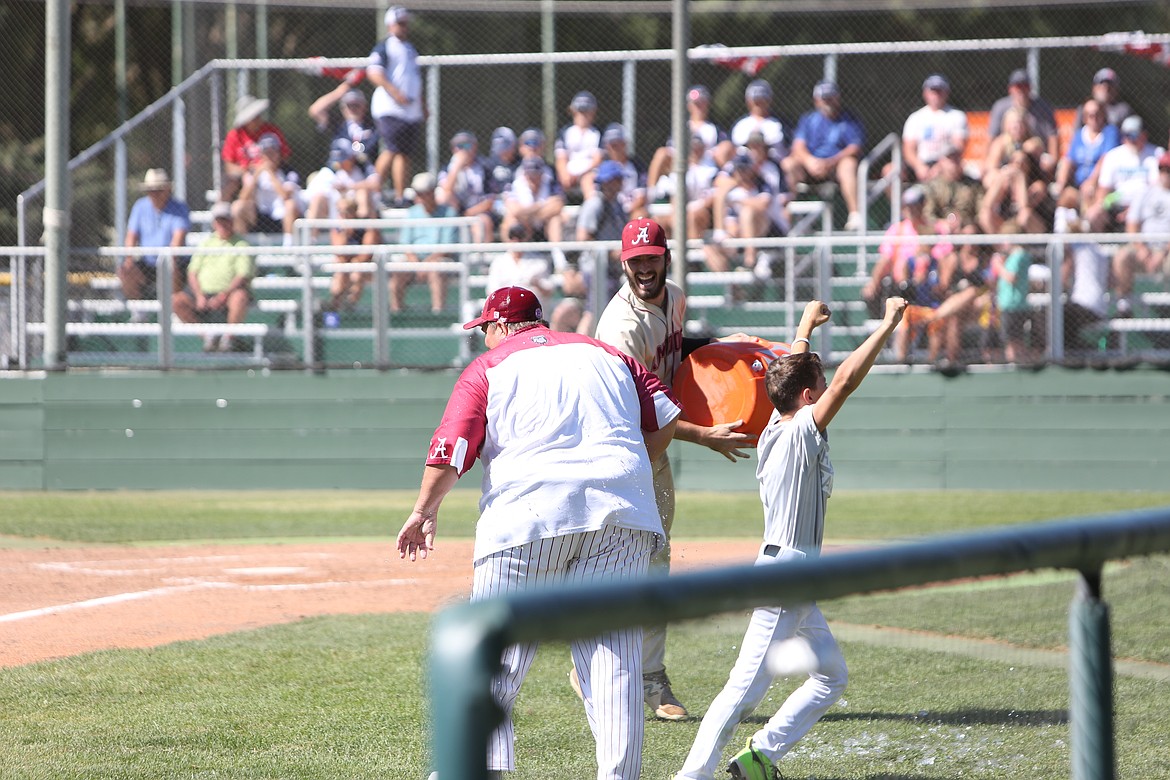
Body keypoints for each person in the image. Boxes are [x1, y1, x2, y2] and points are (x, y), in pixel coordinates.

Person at [395, 285, 682, 780]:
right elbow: (664, 416)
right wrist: (636, 466)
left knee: (493, 663)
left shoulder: (488, 367)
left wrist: (423, 510)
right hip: (621, 513)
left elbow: (452, 450)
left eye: (484, 328)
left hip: (527, 517)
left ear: (502, 326)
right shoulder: (608, 353)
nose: (484, 338)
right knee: (614, 664)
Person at [674, 295, 907, 780]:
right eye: (816, 388)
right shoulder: (800, 430)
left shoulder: (775, 426)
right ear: (807, 399)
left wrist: (804, 326)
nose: (823, 392)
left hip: (797, 576)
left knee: (830, 677)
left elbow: (787, 376)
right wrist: (887, 326)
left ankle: (757, 759)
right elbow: (844, 382)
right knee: (741, 692)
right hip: (784, 577)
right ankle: (690, 777)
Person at [592, 217, 758, 722]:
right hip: (619, 453)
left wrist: (725, 344)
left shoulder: (675, 296)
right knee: (620, 564)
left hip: (656, 449)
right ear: (624, 264)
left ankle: (650, 676)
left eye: (652, 258)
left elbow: (679, 353)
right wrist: (705, 435)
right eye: (635, 261)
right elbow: (637, 410)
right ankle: (597, 665)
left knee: (656, 561)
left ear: (666, 258)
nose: (645, 268)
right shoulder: (620, 327)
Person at [557, 160, 630, 335]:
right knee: (593, 311)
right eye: (616, 179)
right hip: (597, 268)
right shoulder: (596, 203)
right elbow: (583, 236)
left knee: (604, 311)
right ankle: (583, 347)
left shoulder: (616, 204)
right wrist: (610, 252)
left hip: (609, 269)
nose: (619, 183)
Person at [781, 80, 866, 230]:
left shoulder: (849, 119)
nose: (828, 102)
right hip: (811, 167)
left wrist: (830, 162)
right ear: (816, 100)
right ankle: (786, 215)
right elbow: (798, 146)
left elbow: (854, 148)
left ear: (838, 98)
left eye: (830, 98)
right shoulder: (808, 119)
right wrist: (809, 161)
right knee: (788, 163)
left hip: (835, 166)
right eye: (824, 99)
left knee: (849, 164)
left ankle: (855, 214)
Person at [172, 201, 255, 352]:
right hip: (203, 293)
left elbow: (243, 275)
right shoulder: (205, 244)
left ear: (232, 220)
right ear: (214, 223)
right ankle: (207, 337)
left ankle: (228, 338)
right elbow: (192, 272)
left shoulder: (242, 245)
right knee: (177, 301)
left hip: (229, 294)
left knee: (240, 297)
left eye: (226, 219)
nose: (223, 224)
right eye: (219, 220)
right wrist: (199, 296)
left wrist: (224, 295)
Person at [366, 6, 424, 207]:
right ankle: (375, 192)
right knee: (392, 149)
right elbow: (374, 73)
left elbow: (415, 79)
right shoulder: (384, 47)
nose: (404, 27)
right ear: (390, 25)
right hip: (390, 108)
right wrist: (395, 93)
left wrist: (422, 104)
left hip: (410, 110)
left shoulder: (410, 48)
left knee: (404, 153)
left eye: (406, 23)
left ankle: (401, 196)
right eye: (400, 23)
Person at [646, 84, 732, 200]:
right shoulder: (680, 128)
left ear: (707, 104)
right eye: (696, 104)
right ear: (689, 106)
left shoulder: (714, 129)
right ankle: (650, 195)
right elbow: (671, 151)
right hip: (683, 164)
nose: (699, 107)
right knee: (661, 153)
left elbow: (721, 152)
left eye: (702, 103)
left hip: (706, 167)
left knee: (726, 147)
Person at [120, 168, 191, 302]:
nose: (154, 194)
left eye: (158, 190)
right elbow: (131, 235)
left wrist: (170, 258)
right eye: (151, 190)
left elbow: (178, 239)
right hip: (148, 263)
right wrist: (129, 258)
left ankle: (172, 308)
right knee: (125, 270)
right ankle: (139, 311)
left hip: (173, 261)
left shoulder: (179, 208)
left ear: (167, 190)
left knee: (172, 266)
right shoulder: (140, 207)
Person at [390, 171, 457, 313]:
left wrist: (425, 264)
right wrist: (416, 264)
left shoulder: (449, 213)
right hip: (415, 261)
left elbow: (446, 247)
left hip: (438, 260)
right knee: (398, 271)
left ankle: (438, 314)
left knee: (436, 270)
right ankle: (397, 313)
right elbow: (406, 245)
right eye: (417, 193)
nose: (419, 197)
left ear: (432, 192)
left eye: (423, 193)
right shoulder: (412, 213)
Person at [1112, 152, 1170, 315]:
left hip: (1166, 252)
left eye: (1169, 170)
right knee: (1122, 256)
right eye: (1162, 169)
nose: (1166, 174)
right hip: (1144, 249)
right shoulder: (1145, 192)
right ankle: (1124, 306)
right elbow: (1132, 226)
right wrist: (1142, 248)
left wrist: (1163, 252)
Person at [1086, 115, 1164, 233]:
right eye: (1126, 135)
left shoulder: (1156, 154)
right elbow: (1104, 189)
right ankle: (1099, 249)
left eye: (1134, 135)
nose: (1130, 139)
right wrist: (1101, 205)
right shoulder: (1113, 156)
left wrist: (1133, 209)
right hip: (1116, 205)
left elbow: (1157, 189)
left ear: (1144, 135)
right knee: (1093, 215)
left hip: (1146, 206)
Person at [894, 73, 968, 184]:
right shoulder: (915, 117)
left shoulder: (957, 116)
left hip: (945, 163)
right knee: (889, 170)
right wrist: (919, 166)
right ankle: (901, 201)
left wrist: (939, 167)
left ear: (946, 93)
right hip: (920, 163)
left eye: (940, 91)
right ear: (925, 93)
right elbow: (908, 149)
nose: (936, 95)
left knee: (951, 168)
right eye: (933, 91)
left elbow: (958, 147)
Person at [303, 137, 381, 241]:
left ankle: (363, 233)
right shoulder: (331, 169)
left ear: (351, 156)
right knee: (318, 199)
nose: (341, 163)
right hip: (337, 211)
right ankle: (310, 241)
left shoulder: (362, 165)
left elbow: (376, 184)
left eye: (344, 159)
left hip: (358, 209)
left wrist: (350, 187)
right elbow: (312, 192)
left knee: (363, 193)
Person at [232, 132, 302, 246]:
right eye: (266, 153)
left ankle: (289, 246)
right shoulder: (255, 171)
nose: (269, 157)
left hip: (282, 219)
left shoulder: (288, 172)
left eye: (272, 152)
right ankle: (242, 246)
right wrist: (255, 176)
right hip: (261, 217)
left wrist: (271, 173)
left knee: (290, 204)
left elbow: (285, 196)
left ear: (279, 153)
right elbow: (243, 197)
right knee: (237, 206)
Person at [987, 69, 1058, 177]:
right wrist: (986, 163)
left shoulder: (1043, 108)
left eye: (1024, 86)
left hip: (1034, 162)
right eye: (1017, 87)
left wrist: (1052, 162)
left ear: (1030, 88)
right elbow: (991, 138)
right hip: (1007, 159)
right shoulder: (1000, 107)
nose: (1021, 90)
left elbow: (1052, 137)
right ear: (1010, 89)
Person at [221, 94, 292, 201]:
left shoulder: (271, 130)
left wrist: (268, 165)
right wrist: (247, 170)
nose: (258, 118)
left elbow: (285, 156)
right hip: (246, 175)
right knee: (231, 182)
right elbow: (229, 166)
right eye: (253, 117)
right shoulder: (235, 135)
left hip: (271, 172)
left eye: (258, 115)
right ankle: (222, 213)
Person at [1054, 98, 1119, 207]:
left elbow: (1105, 159)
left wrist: (1091, 181)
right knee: (1065, 197)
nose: (1094, 118)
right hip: (1078, 184)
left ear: (1103, 115)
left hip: (1099, 185)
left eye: (1097, 114)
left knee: (1088, 194)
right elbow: (1068, 159)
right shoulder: (1079, 135)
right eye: (1090, 115)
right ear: (1084, 118)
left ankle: (1086, 223)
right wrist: (1061, 184)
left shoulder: (1110, 132)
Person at [437, 131, 496, 243]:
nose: (463, 150)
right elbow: (446, 192)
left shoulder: (485, 167)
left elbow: (490, 201)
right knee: (442, 196)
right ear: (453, 150)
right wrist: (456, 167)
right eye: (459, 146)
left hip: (477, 211)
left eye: (467, 146)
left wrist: (468, 213)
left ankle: (479, 258)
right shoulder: (447, 168)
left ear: (475, 147)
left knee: (483, 222)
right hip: (454, 211)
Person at [990, 223, 1036, 364]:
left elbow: (1011, 277)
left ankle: (1015, 366)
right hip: (1010, 305)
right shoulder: (1015, 256)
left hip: (1013, 306)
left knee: (1012, 341)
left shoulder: (1019, 255)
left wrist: (998, 266)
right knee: (1014, 340)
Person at [307, 83, 380, 171]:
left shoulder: (373, 126)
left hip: (362, 171)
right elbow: (315, 110)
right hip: (336, 171)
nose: (353, 109)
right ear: (343, 108)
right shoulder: (337, 124)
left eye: (357, 105)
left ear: (364, 107)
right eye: (349, 105)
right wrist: (338, 92)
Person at [326, 196, 378, 312]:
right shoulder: (337, 229)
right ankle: (335, 306)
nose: (343, 215)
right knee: (341, 273)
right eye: (340, 212)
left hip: (364, 265)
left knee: (357, 273)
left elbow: (366, 253)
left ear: (354, 211)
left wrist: (355, 261)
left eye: (347, 211)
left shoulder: (365, 226)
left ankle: (350, 306)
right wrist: (346, 232)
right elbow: (339, 252)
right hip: (345, 264)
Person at [501, 155, 566, 248]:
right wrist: (540, 205)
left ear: (541, 173)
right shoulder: (516, 184)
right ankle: (514, 256)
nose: (532, 178)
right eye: (529, 174)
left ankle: (558, 256)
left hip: (544, 222)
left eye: (535, 174)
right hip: (524, 223)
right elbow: (514, 210)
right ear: (524, 174)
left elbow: (557, 205)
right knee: (510, 220)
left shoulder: (550, 183)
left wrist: (529, 213)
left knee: (555, 219)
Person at [555, 90, 604, 202]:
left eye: (587, 111)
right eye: (580, 111)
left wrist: (580, 175)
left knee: (589, 180)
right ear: (573, 111)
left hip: (588, 174)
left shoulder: (598, 133)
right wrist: (565, 175)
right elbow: (560, 158)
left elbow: (597, 160)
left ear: (593, 112)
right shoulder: (565, 132)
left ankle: (589, 211)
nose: (583, 115)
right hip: (568, 175)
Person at [729, 79, 787, 163]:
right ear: (748, 101)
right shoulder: (739, 125)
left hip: (773, 165)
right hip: (743, 168)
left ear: (770, 100)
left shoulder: (781, 123)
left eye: (763, 100)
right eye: (756, 101)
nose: (759, 104)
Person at [599, 123, 649, 220]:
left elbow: (641, 196)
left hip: (631, 210)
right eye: (611, 145)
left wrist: (625, 212)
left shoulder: (637, 165)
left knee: (641, 215)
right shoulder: (603, 166)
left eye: (617, 144)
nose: (614, 149)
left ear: (624, 143)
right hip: (608, 211)